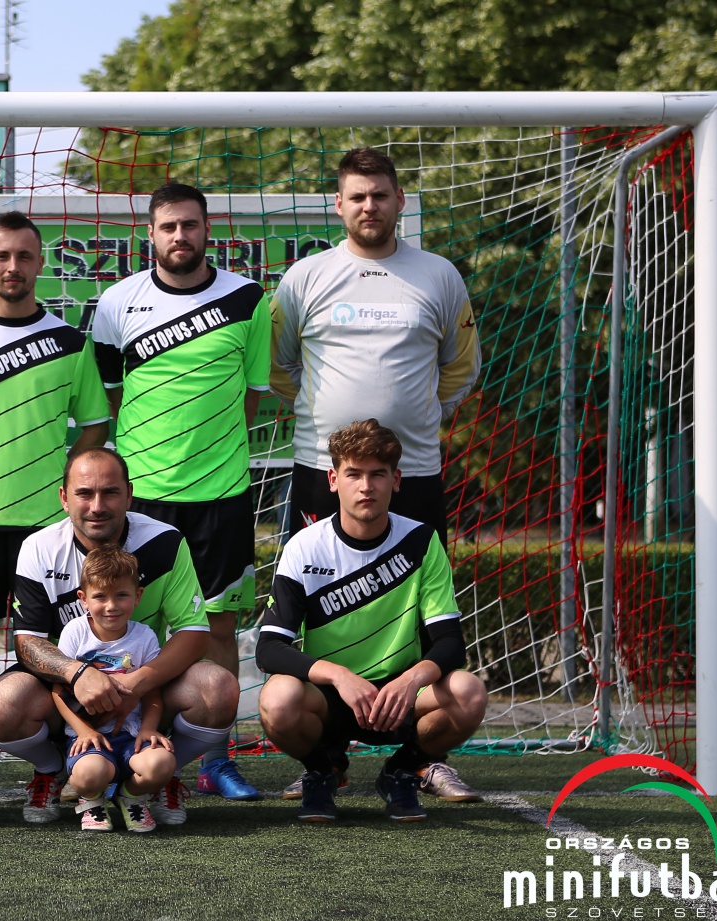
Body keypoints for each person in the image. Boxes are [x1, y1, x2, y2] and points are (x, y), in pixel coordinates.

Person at [269, 146, 483, 802]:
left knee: (421, 611)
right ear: (338, 205)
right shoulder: (305, 278)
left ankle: (422, 757)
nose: (369, 206)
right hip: (320, 470)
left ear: (399, 201)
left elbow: (461, 366)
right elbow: (279, 367)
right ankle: (325, 754)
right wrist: (326, 421)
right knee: (322, 602)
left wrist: (415, 417)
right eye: (357, 196)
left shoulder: (438, 275)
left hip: (414, 469)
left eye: (380, 194)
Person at [90, 182, 270, 800]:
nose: (180, 236)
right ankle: (129, 751)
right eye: (168, 227)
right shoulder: (117, 302)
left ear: (207, 229)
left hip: (221, 495)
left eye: (190, 225)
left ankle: (215, 761)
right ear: (150, 233)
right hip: (141, 498)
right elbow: (112, 396)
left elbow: (251, 394)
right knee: (130, 622)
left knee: (217, 626)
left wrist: (212, 453)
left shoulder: (247, 299)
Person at [0, 210, 110, 797]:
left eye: (24, 256)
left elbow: (94, 425)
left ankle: (49, 762)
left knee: (53, 645)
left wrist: (61, 483)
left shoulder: (69, 341)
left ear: (40, 263)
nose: (13, 266)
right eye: (2, 256)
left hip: (47, 526)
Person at [0, 446, 238, 827]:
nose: (97, 506)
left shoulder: (165, 542)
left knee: (219, 688)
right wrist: (78, 675)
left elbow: (195, 632)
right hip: (66, 696)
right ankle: (53, 770)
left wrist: (136, 683)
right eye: (84, 493)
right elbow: (27, 642)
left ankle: (157, 775)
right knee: (3, 704)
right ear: (64, 498)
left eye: (110, 492)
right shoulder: (38, 548)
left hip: (144, 696)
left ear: (129, 495)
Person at [256, 419, 487, 823]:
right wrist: (339, 676)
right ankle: (323, 771)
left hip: (400, 696)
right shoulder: (304, 547)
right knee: (278, 699)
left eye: (378, 474)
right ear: (333, 480)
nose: (366, 486)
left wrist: (410, 680)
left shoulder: (421, 541)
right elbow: (269, 648)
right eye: (354, 474)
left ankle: (404, 770)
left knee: (468, 691)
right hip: (331, 698)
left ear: (395, 481)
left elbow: (451, 642)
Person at [53, 547, 176, 833]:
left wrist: (149, 728)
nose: (111, 606)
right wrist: (83, 731)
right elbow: (58, 692)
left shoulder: (144, 636)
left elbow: (152, 692)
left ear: (138, 596)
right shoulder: (75, 632)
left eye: (121, 595)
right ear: (83, 599)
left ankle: (130, 796)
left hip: (131, 736)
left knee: (161, 763)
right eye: (100, 597)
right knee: (90, 774)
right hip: (89, 739)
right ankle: (91, 799)